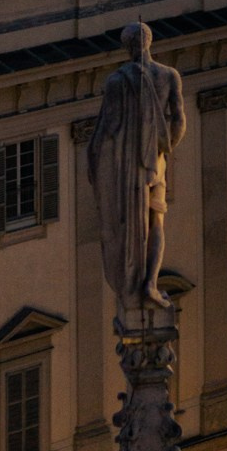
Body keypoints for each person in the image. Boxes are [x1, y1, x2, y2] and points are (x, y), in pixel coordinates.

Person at [88, 22, 186, 317]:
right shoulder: (169, 75)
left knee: (130, 224)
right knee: (157, 221)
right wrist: (163, 148)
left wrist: (95, 160)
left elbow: (109, 129)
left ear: (127, 47)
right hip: (155, 162)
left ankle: (134, 281)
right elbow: (179, 120)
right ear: (149, 41)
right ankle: (151, 283)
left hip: (126, 167)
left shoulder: (117, 80)